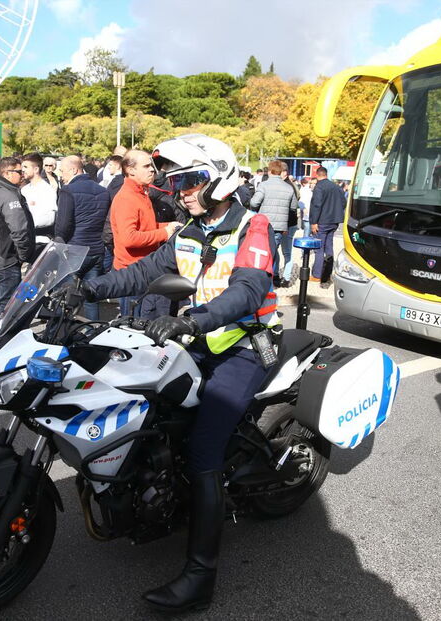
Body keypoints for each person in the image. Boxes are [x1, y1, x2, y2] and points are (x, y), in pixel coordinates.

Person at [72, 134, 278, 612]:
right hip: (195, 342)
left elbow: (248, 291)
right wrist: (84, 288)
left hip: (243, 347)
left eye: (189, 180)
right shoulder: (189, 230)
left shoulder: (254, 226)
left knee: (203, 453)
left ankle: (200, 577)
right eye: (175, 180)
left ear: (218, 180)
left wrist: (191, 319)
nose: (178, 188)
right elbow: (141, 273)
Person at [109, 149, 181, 316]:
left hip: (144, 270)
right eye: (147, 166)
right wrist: (164, 232)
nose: (152, 170)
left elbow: (145, 227)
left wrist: (169, 225)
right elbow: (129, 238)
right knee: (134, 327)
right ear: (131, 170)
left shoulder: (141, 193)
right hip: (133, 274)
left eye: (152, 166)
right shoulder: (127, 198)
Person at [0, 157, 35, 323]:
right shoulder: (8, 196)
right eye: (18, 171)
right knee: (8, 305)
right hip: (5, 258)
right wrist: (24, 255)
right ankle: (2, 340)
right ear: (8, 173)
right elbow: (19, 230)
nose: (22, 174)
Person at [58, 155, 111, 321]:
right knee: (91, 297)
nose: (61, 175)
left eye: (63, 171)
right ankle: (91, 332)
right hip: (96, 249)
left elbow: (63, 225)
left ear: (74, 169)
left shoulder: (68, 191)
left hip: (75, 250)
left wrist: (59, 243)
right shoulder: (103, 191)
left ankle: (57, 333)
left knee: (65, 296)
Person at [250, 159, 298, 286]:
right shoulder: (289, 188)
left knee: (262, 251)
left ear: (270, 171)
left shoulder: (263, 185)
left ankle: (263, 279)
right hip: (279, 226)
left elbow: (254, 203)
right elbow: (293, 207)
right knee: (273, 250)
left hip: (264, 225)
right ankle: (273, 277)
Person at [308, 166, 345, 285]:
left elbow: (316, 205)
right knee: (329, 247)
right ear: (326, 174)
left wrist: (314, 222)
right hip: (333, 221)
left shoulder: (319, 187)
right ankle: (328, 273)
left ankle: (317, 275)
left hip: (322, 222)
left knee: (319, 248)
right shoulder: (336, 187)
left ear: (317, 175)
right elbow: (343, 202)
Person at [20, 152, 57, 241]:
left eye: (26, 167)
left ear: (36, 169)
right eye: (22, 167)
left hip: (40, 240)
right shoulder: (24, 190)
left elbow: (50, 218)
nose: (22, 170)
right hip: (25, 239)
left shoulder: (47, 190)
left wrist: (25, 223)